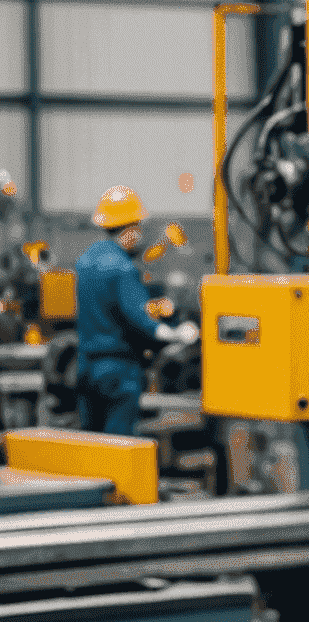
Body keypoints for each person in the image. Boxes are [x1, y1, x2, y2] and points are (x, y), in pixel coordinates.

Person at [75, 185, 195, 435]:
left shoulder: (85, 262)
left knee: (89, 443)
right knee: (118, 445)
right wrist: (178, 334)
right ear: (129, 229)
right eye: (138, 227)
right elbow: (142, 320)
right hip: (118, 372)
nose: (140, 234)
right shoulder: (122, 268)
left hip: (86, 367)